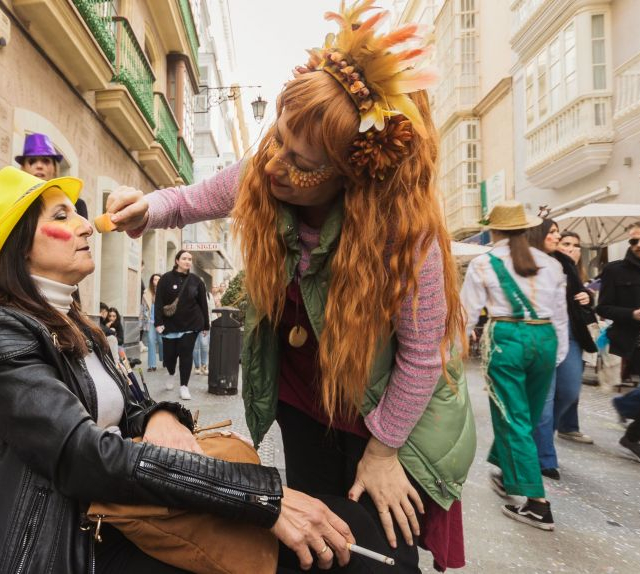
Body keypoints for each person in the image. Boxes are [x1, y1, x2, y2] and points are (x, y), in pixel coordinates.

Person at [104, 3, 473, 569]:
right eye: (276, 139)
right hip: (305, 401)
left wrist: (383, 451)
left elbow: (423, 358)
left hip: (381, 408)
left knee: (382, 552)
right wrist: (144, 207)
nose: (274, 164)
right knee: (318, 546)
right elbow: (186, 200)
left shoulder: (402, 229)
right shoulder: (266, 169)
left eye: (301, 160)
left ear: (353, 173)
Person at [0, 166, 408, 573]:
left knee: (355, 528)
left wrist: (158, 415)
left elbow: (125, 406)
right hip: (72, 545)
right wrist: (262, 497)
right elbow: (81, 454)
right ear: (19, 248)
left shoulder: (73, 321)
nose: (86, 225)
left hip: (130, 513)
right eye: (62, 216)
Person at [462, 201, 567, 530]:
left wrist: (457, 347)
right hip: (545, 338)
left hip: (507, 339)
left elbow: (467, 312)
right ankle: (507, 472)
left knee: (512, 416)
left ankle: (537, 503)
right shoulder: (551, 263)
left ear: (494, 230)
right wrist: (559, 352)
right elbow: (560, 314)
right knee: (528, 415)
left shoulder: (483, 263)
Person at [527, 219, 598, 481]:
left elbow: (580, 295)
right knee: (544, 400)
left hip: (570, 333)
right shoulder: (523, 261)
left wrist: (587, 297)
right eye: (553, 232)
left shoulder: (564, 263)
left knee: (569, 392)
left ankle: (538, 437)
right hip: (540, 335)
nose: (557, 237)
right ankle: (544, 457)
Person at [596, 220, 640, 468]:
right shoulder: (616, 270)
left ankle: (633, 437)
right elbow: (603, 307)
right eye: (634, 240)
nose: (639, 245)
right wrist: (633, 314)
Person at [155, 251, 210, 400]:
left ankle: (184, 386)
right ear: (177, 261)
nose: (187, 261)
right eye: (184, 258)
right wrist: (158, 322)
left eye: (190, 259)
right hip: (169, 325)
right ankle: (171, 373)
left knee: (186, 354)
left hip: (191, 324)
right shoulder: (165, 279)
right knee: (169, 356)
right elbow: (159, 301)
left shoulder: (196, 281)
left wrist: (206, 325)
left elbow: (203, 304)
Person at [16, 132, 88, 218]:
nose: (39, 166)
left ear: (55, 168)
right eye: (32, 161)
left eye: (45, 161)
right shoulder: (13, 203)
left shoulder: (75, 204)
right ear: (23, 167)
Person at [193, 285, 217, 375]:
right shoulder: (190, 295)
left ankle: (204, 365)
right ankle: (197, 366)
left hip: (205, 324)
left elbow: (212, 310)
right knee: (195, 346)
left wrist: (210, 322)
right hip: (193, 325)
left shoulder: (208, 295)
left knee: (204, 344)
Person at [144, 273, 163, 371]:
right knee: (151, 341)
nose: (156, 281)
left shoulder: (165, 292)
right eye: (155, 279)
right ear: (152, 281)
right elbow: (143, 308)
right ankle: (152, 365)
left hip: (162, 322)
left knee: (161, 341)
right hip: (151, 321)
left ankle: (164, 358)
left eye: (158, 279)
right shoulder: (147, 292)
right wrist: (142, 322)